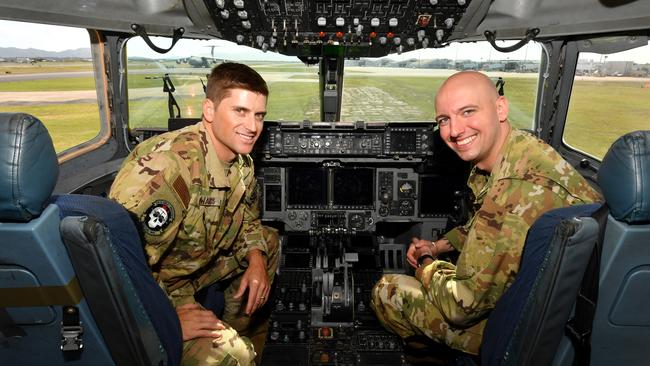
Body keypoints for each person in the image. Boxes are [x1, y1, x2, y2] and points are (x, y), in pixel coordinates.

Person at [370, 71, 602, 355]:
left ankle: (436, 358)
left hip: (530, 328)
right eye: (444, 120)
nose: (454, 131)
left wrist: (426, 262)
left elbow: (461, 306)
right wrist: (437, 245)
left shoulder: (515, 189)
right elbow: (485, 224)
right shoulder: (520, 153)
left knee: (387, 291)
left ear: (500, 108)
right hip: (556, 306)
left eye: (468, 111)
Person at [109, 62, 279, 365]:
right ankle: (237, 350)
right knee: (235, 358)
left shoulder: (242, 164)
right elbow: (117, 263)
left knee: (268, 242)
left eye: (259, 115)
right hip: (160, 289)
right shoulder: (168, 169)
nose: (253, 127)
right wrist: (166, 320)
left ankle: (242, 331)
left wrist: (256, 259)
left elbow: (248, 218)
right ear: (209, 111)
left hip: (197, 265)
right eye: (240, 111)